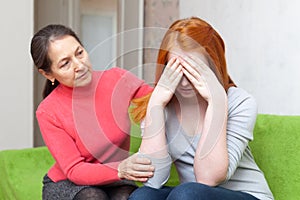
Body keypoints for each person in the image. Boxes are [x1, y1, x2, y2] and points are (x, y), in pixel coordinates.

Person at [128, 17, 274, 200]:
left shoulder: (240, 102)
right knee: (143, 196)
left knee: (188, 193)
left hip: (245, 195)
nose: (183, 81)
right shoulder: (160, 104)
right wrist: (155, 106)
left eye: (193, 70)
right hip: (191, 195)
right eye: (177, 69)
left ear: (214, 66)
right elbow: (153, 181)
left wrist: (217, 101)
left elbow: (208, 178)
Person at [30, 24, 155, 200]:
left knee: (128, 197)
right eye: (65, 63)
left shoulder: (116, 79)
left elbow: (157, 100)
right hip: (68, 183)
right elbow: (75, 170)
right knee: (93, 197)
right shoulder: (48, 111)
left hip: (117, 179)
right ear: (48, 74)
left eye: (79, 53)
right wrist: (121, 168)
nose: (79, 65)